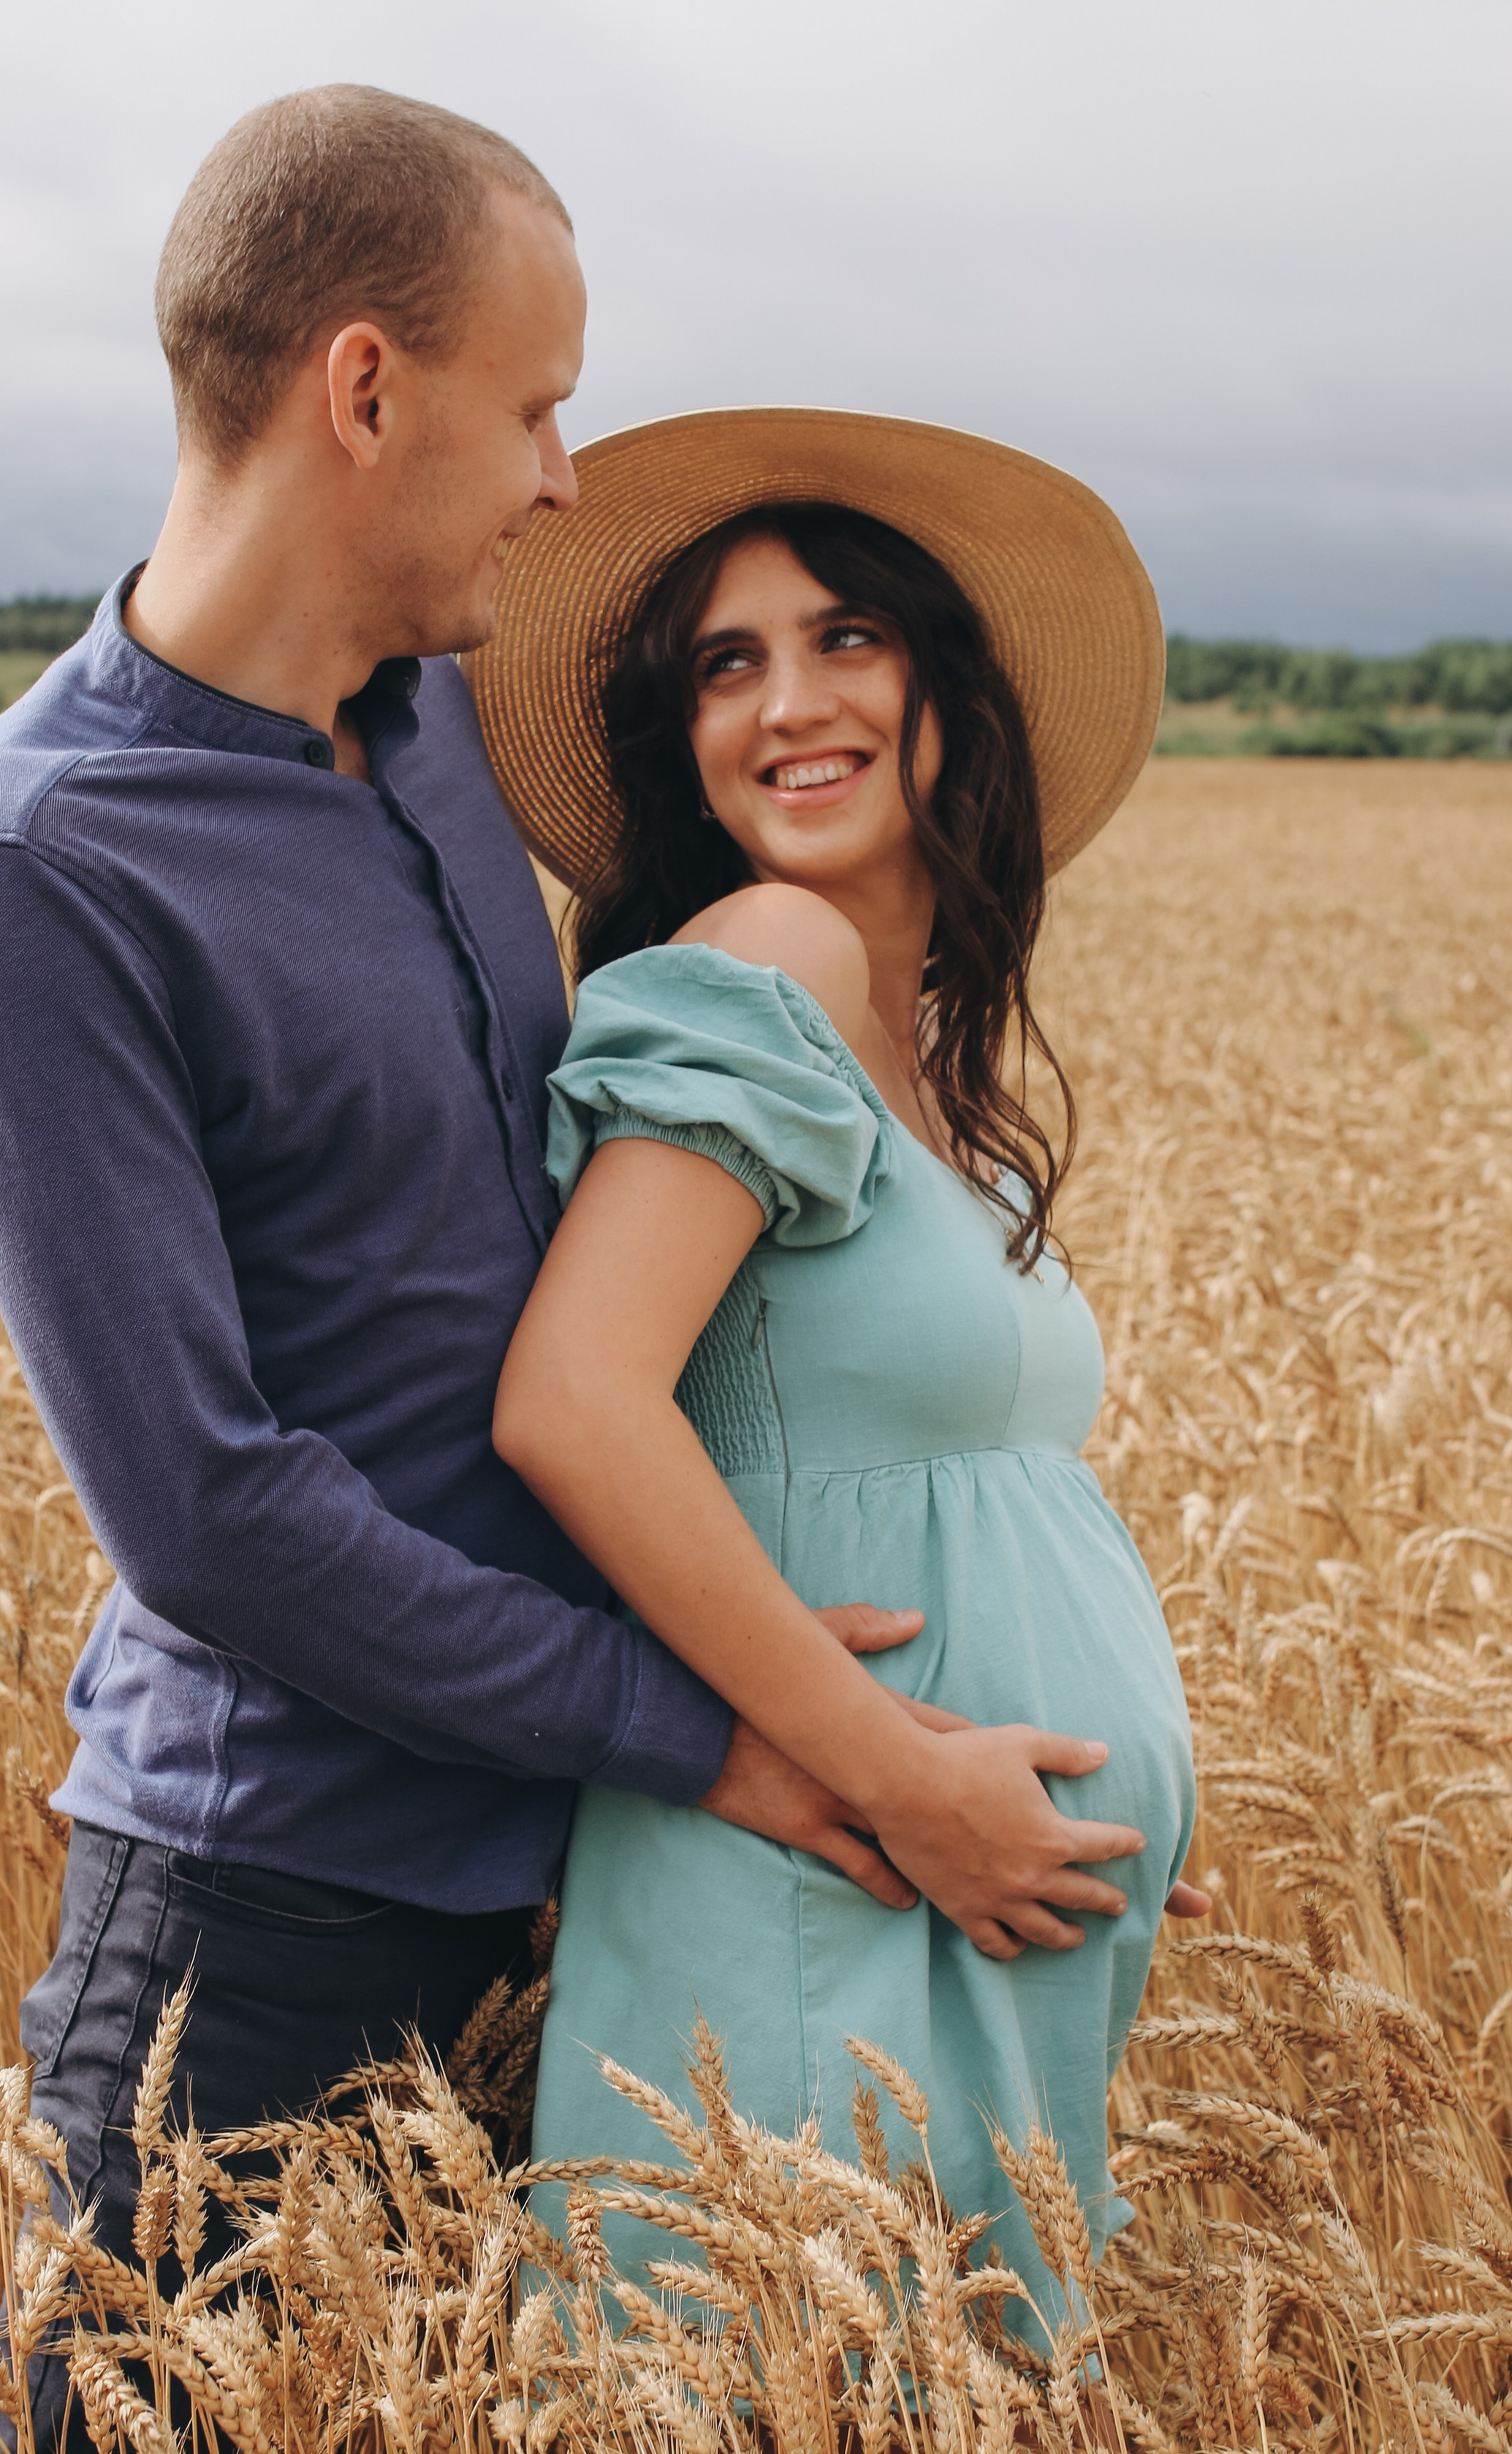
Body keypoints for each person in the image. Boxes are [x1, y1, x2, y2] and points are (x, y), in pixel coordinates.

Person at [0, 93, 1185, 2454]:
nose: (570, 474)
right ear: (366, 386)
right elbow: (212, 1514)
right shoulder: (31, 867)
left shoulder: (444, 736)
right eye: (541, 406)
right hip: (280, 1894)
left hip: (588, 1878)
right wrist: (736, 1734)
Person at [479, 417, 1202, 2341]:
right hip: (830, 1907)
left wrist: (1104, 1805)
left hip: (953, 1892)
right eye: (727, 664)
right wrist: (909, 1777)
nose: (790, 701)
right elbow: (575, 1402)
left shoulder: (915, 1060)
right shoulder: (770, 955)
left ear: (940, 681)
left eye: (846, 638)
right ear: (679, 741)